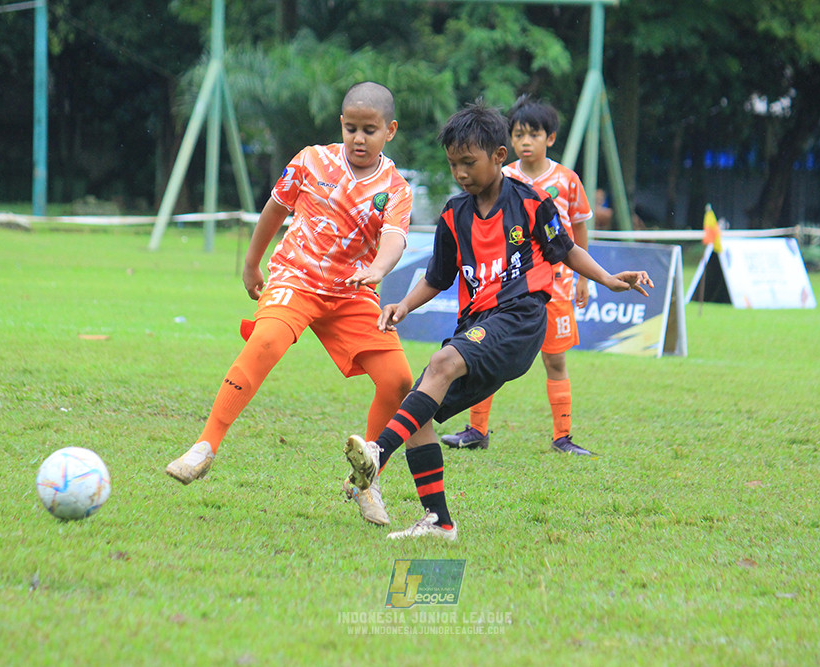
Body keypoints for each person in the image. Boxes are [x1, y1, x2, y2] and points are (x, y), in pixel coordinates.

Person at [342, 101, 653, 540]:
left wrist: (606, 278)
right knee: (417, 411)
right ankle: (439, 520)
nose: (461, 173)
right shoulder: (454, 214)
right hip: (478, 324)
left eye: (469, 163)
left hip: (521, 318)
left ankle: (377, 453)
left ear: (499, 157)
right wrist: (404, 306)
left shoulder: (531, 203)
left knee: (441, 363)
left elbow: (565, 249)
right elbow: (438, 276)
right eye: (453, 165)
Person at [166, 82, 414, 528]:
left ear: (389, 131)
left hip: (352, 290)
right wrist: (250, 263)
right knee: (266, 342)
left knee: (398, 382)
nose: (359, 138)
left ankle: (366, 481)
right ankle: (204, 448)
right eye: (352, 128)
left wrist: (377, 269)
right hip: (295, 278)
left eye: (370, 130)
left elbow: (395, 239)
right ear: (342, 124)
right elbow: (275, 209)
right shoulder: (311, 160)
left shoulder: (394, 189)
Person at [440, 94, 595, 456]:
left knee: (555, 360)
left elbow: (576, 232)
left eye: (533, 135)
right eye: (519, 134)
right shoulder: (501, 175)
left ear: (550, 138)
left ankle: (562, 436)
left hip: (555, 284)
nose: (525, 142)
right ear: (507, 143)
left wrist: (586, 278)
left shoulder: (567, 180)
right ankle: (476, 430)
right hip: (504, 285)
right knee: (487, 353)